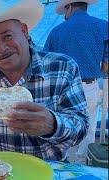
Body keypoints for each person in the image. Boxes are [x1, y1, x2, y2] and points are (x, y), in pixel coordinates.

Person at [0, 0, 89, 161]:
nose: (1, 49)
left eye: (7, 36)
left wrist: (53, 125)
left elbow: (81, 127)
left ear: (24, 31)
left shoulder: (62, 68)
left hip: (49, 169)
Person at [44, 0, 108, 157]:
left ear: (69, 7)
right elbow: (107, 64)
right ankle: (81, 167)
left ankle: (64, 165)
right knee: (88, 128)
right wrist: (97, 71)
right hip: (88, 86)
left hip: (61, 89)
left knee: (64, 127)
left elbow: (45, 64)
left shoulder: (56, 31)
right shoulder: (103, 26)